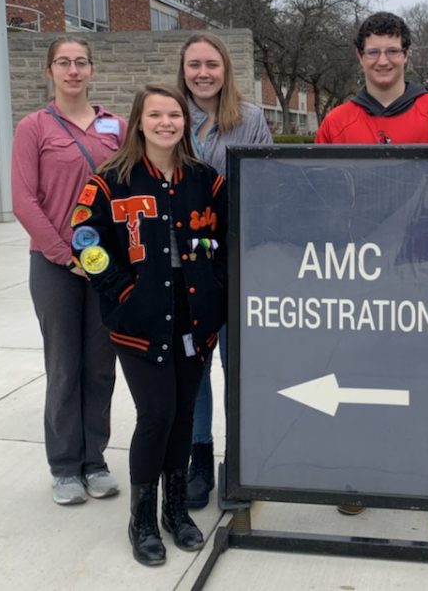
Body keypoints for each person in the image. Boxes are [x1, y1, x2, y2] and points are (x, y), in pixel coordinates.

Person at [315, 10, 428, 515]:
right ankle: (358, 473)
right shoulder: (337, 120)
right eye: (373, 51)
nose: (383, 60)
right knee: (355, 368)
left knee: (424, 374)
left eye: (392, 50)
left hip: (421, 269)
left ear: (408, 53)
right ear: (359, 57)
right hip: (357, 268)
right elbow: (316, 198)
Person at [70, 83, 227, 566]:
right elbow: (85, 241)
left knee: (183, 413)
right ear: (139, 121)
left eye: (174, 115)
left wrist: (218, 287)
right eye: (156, 115)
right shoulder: (110, 180)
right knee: (155, 414)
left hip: (194, 316)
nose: (166, 123)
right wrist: (121, 292)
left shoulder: (205, 179)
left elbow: (230, 236)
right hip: (140, 320)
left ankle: (176, 510)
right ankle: (141, 517)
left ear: (186, 122)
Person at [11, 35, 122, 506]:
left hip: (105, 266)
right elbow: (24, 200)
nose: (73, 70)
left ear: (92, 70)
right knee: (63, 366)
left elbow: (126, 188)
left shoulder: (115, 125)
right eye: (63, 63)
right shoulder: (34, 127)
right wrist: (63, 254)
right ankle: (64, 466)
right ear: (49, 72)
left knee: (100, 367)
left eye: (80, 63)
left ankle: (94, 460)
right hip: (55, 266)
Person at [176, 32, 273, 510]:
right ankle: (199, 459)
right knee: (195, 366)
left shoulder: (250, 119)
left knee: (240, 365)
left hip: (236, 261)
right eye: (194, 64)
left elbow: (269, 187)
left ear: (226, 68)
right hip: (182, 264)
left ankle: (242, 460)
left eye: (211, 64)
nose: (203, 73)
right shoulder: (169, 113)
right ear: (183, 69)